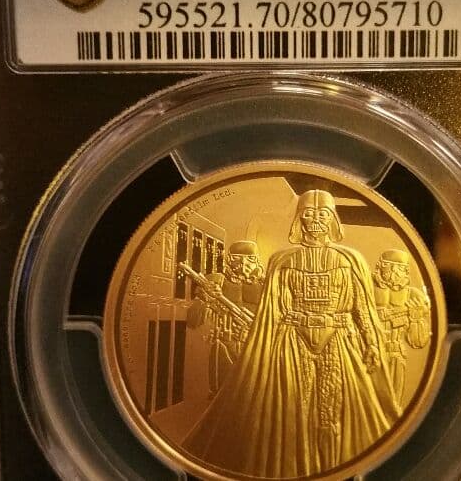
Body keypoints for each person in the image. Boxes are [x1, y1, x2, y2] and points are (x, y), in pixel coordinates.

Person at [184, 190, 393, 478]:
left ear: (333, 219)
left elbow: (363, 308)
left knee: (331, 412)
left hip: (337, 340)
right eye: (308, 214)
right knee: (294, 410)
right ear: (298, 219)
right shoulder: (281, 261)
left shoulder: (351, 260)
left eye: (323, 215)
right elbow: (271, 312)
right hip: (292, 341)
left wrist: (371, 342)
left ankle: (332, 469)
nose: (315, 221)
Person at [186, 240, 264, 397]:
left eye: (250, 259)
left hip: (258, 346)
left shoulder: (267, 285)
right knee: (221, 394)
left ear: (257, 260)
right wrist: (206, 299)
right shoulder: (216, 281)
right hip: (225, 344)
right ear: (229, 259)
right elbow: (192, 321)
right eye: (237, 258)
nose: (243, 264)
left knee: (257, 394)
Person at [373, 249, 431, 413]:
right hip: (368, 353)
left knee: (392, 406)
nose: (393, 272)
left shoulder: (414, 295)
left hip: (395, 353)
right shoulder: (365, 288)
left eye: (398, 268)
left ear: (406, 271)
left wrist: (416, 319)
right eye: (389, 266)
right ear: (380, 266)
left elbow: (418, 342)